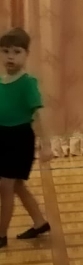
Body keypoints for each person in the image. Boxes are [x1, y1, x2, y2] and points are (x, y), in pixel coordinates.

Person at [0, 28, 52, 248]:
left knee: (5, 186)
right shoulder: (1, 81)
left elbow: (37, 115)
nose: (10, 57)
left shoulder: (27, 82)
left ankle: (1, 235)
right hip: (2, 137)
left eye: (16, 52)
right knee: (17, 185)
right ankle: (40, 222)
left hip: (19, 139)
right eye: (5, 51)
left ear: (26, 54)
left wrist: (46, 145)